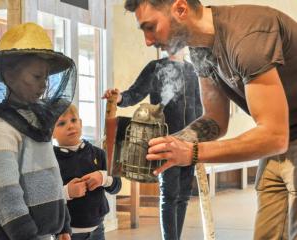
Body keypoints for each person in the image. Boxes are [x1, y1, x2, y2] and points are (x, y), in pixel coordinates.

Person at [123, 0, 297, 239]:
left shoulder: (246, 37)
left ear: (180, 9)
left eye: (150, 27)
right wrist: (171, 145)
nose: (148, 40)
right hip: (284, 137)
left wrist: (192, 153)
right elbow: (215, 120)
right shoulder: (200, 50)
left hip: (279, 136)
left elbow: (274, 136)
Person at [0, 22, 77, 240]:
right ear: (9, 76)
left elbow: (53, 177)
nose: (44, 85)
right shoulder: (0, 129)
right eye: (37, 77)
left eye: (46, 77)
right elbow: (5, 192)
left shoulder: (37, 122)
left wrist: (63, 224)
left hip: (45, 234)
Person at [103, 49, 202, 240]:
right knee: (170, 195)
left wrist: (200, 138)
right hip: (164, 140)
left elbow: (199, 107)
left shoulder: (193, 70)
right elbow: (134, 94)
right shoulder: (155, 67)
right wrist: (119, 98)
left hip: (190, 143)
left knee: (183, 196)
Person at [52, 104, 122, 240]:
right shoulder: (51, 161)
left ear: (81, 123)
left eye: (74, 120)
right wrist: (68, 191)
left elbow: (117, 186)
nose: (70, 126)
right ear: (51, 132)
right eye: (61, 123)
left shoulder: (100, 154)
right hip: (67, 233)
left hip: (98, 229)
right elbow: (47, 198)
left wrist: (103, 178)